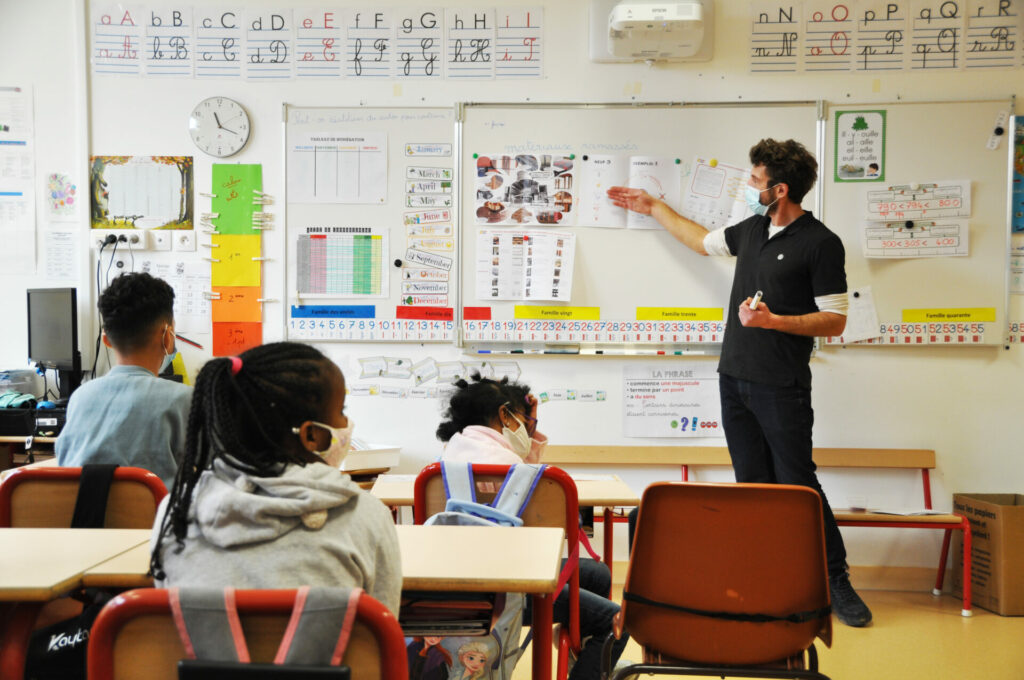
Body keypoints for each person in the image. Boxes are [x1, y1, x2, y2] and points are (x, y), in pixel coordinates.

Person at [607, 138, 872, 628]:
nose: (748, 188)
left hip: (781, 385)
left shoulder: (820, 242)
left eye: (754, 181)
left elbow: (835, 320)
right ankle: (766, 580)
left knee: (798, 486)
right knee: (752, 486)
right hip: (734, 380)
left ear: (780, 189)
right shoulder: (752, 230)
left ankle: (835, 579)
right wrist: (653, 206)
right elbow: (699, 240)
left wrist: (774, 323)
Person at [149, 342, 401, 615]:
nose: (346, 421)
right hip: (323, 658)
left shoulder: (178, 510)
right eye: (341, 410)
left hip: (200, 657)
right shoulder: (366, 516)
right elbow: (382, 634)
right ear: (311, 435)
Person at [436, 375, 629, 679]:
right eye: (520, 418)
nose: (526, 427)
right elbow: (543, 542)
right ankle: (589, 664)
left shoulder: (450, 456)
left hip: (453, 580)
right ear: (504, 415)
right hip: (512, 591)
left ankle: (587, 659)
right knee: (616, 621)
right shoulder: (513, 466)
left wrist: (529, 424)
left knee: (596, 573)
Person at [56, 272, 191, 490]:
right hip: (155, 521)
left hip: (79, 520)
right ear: (168, 336)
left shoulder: (80, 396)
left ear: (107, 340)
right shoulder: (183, 399)